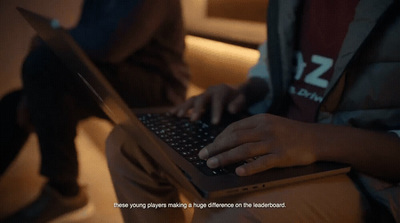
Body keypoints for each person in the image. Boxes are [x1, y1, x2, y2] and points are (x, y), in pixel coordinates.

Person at [105, 0, 400, 222]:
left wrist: (313, 139)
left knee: (223, 214)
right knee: (129, 142)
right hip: (278, 135)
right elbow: (277, 74)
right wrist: (245, 92)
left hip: (360, 170)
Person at [0, 0, 189, 222]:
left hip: (157, 88)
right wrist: (33, 93)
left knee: (43, 64)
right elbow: (82, 49)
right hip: (111, 74)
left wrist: (50, 40)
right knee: (16, 100)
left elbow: (112, 45)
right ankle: (63, 190)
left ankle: (63, 189)